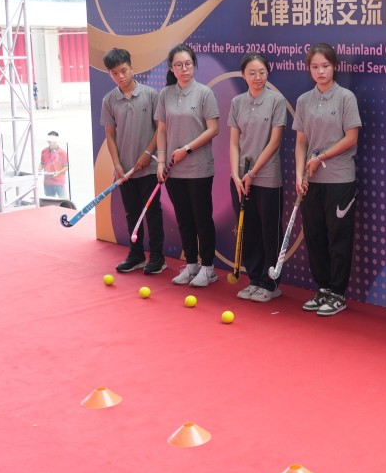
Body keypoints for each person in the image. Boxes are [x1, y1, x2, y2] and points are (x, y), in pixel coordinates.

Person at [293, 43, 361, 317]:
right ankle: (322, 288)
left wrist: (320, 158)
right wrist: (300, 173)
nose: (320, 71)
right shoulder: (303, 101)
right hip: (311, 181)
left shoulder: (345, 98)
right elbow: (301, 141)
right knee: (315, 236)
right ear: (309, 69)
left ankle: (337, 292)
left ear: (335, 67)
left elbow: (351, 138)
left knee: (338, 237)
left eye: (325, 66)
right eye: (315, 67)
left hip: (340, 180)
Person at [155, 44, 220, 288]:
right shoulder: (165, 94)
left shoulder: (204, 93)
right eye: (178, 65)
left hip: (199, 168)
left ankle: (208, 268)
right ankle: (191, 263)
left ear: (194, 65)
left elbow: (213, 129)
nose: (184, 69)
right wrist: (162, 161)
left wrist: (187, 149)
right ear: (172, 68)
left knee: (202, 218)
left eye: (188, 64)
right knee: (183, 219)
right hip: (173, 170)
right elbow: (161, 129)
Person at [101, 48, 167, 276]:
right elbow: (110, 135)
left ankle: (157, 256)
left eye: (124, 70)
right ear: (109, 74)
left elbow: (160, 129)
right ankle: (136, 254)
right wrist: (118, 166)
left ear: (132, 68)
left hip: (148, 167)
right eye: (114, 73)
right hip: (125, 171)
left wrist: (147, 154)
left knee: (152, 213)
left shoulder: (151, 95)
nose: (120, 76)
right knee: (131, 213)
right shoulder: (109, 100)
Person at [229, 52, 287, 302]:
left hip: (267, 178)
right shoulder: (237, 102)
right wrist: (235, 174)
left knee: (268, 232)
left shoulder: (276, 100)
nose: (257, 77)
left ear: (268, 73)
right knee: (248, 229)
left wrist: (251, 173)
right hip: (241, 179)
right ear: (243, 75)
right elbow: (233, 143)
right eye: (252, 73)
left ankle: (270, 282)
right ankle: (254, 279)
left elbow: (274, 142)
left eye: (262, 72)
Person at [40, 131, 69, 198]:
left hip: (59, 182)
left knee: (64, 201)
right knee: (50, 203)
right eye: (49, 138)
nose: (50, 140)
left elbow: (66, 167)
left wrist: (58, 172)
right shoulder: (44, 151)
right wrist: (39, 169)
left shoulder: (62, 152)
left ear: (57, 140)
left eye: (52, 138)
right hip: (47, 182)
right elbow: (42, 163)